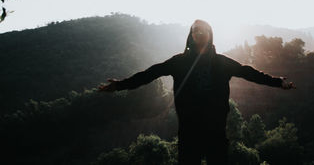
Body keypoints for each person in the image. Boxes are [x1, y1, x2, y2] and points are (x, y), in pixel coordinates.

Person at [98, 19, 295, 164]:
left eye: (203, 30)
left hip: (216, 133)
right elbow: (150, 73)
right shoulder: (179, 62)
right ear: (190, 35)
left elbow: (248, 72)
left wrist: (277, 82)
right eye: (195, 31)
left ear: (210, 34)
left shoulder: (222, 63)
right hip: (189, 132)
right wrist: (120, 85)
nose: (199, 33)